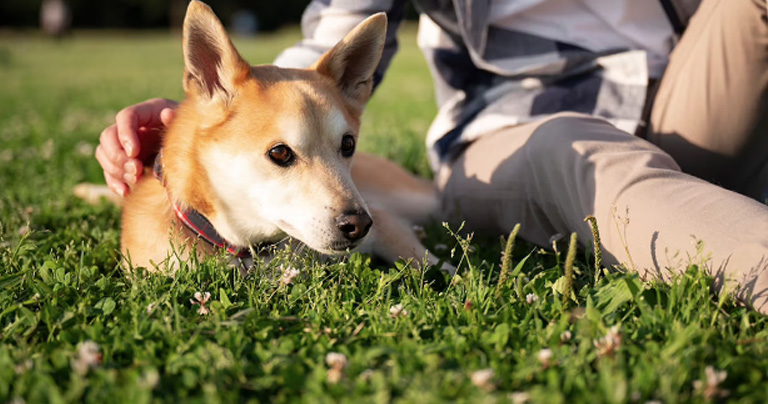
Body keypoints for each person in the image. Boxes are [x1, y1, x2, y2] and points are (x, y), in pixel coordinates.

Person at [96, 0, 768, 314]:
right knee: (576, 151)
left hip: (695, 100)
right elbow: (316, 70)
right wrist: (213, 111)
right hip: (526, 129)